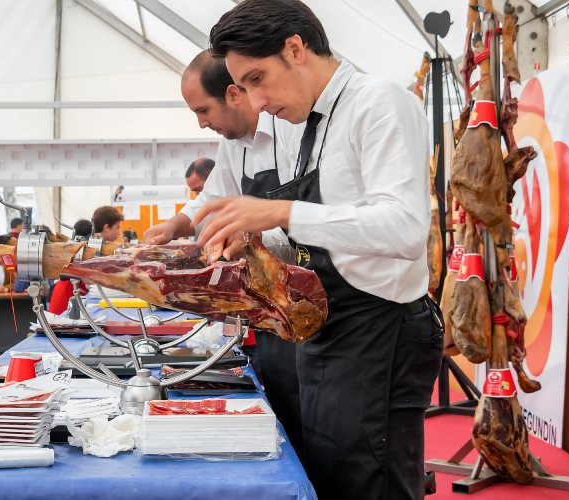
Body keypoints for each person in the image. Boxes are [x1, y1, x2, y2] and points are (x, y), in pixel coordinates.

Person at [199, 2, 443, 497]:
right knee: (331, 475)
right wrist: (254, 241)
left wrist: (280, 213)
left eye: (257, 78)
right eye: (244, 88)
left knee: (371, 482)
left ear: (295, 48)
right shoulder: (303, 123)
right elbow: (321, 233)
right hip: (327, 329)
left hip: (382, 328)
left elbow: (404, 230)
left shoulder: (380, 103)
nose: (257, 101)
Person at [145, 49, 301, 454]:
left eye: (203, 110)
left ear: (234, 94)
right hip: (271, 308)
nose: (201, 123)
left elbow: (304, 223)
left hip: (307, 299)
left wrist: (254, 238)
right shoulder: (235, 145)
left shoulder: (290, 132)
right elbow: (210, 202)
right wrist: (176, 226)